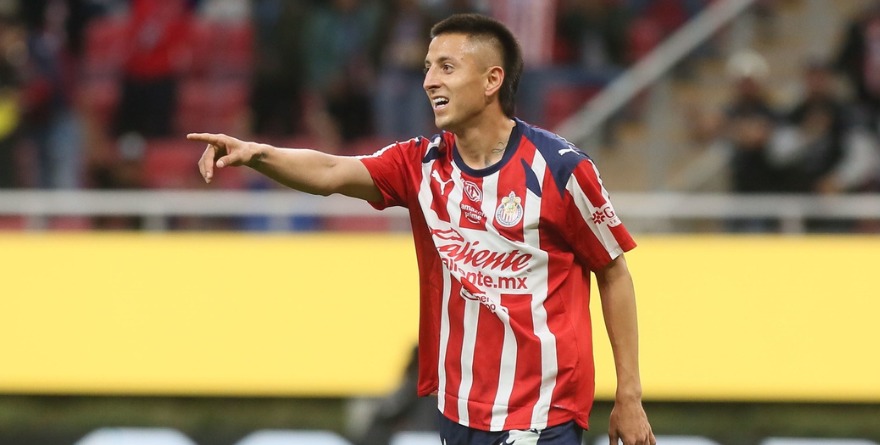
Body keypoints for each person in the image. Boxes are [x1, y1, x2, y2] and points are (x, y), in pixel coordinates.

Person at [189, 13, 654, 445]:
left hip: (541, 414)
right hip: (456, 412)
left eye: (447, 67)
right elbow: (331, 171)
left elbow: (614, 274)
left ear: (492, 80)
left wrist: (629, 395)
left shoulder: (561, 169)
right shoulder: (421, 164)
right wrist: (256, 154)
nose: (430, 80)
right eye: (429, 67)